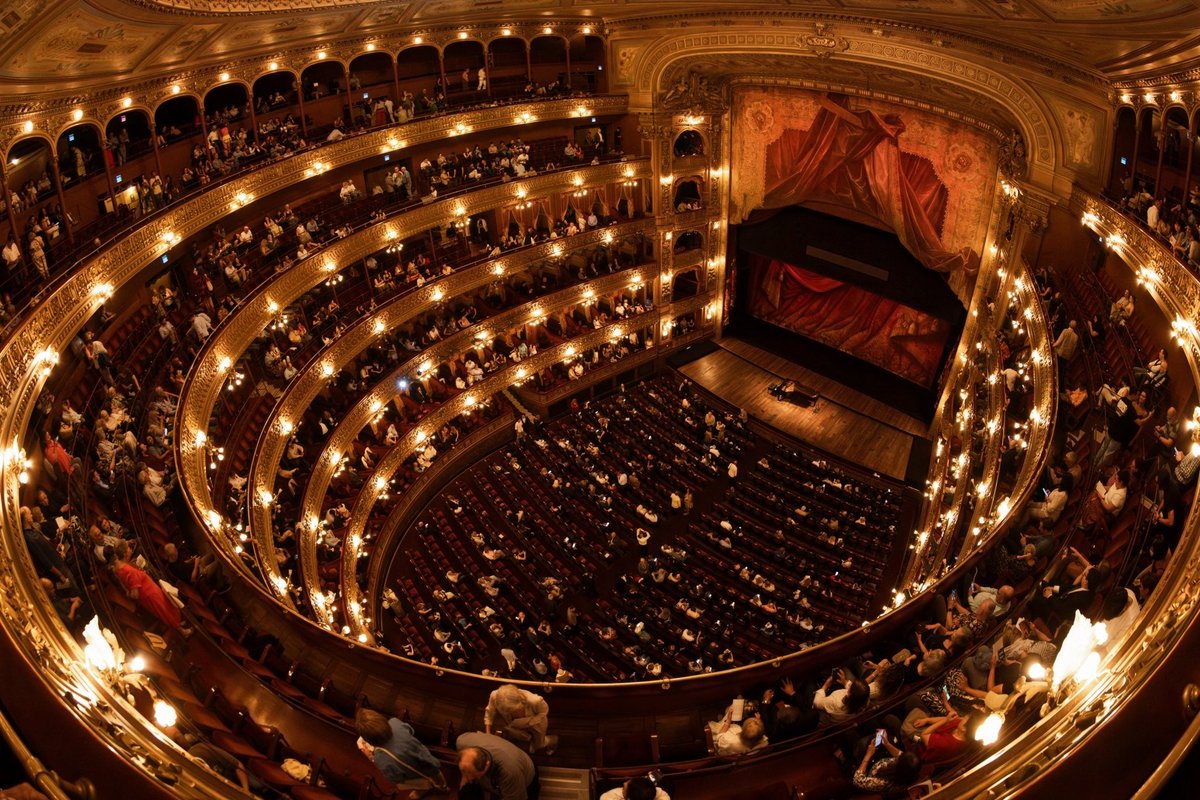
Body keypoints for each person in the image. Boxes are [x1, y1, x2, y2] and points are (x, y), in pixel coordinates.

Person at [356, 708, 449, 798]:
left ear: (369, 740)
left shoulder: (379, 759)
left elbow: (394, 778)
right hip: (428, 761)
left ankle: (423, 789)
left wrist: (372, 757)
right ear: (382, 719)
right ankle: (443, 788)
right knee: (438, 778)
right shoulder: (395, 723)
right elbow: (411, 730)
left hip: (412, 777)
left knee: (419, 784)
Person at [108, 542, 190, 634]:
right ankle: (182, 631)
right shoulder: (127, 570)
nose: (131, 549)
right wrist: (137, 584)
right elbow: (135, 594)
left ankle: (178, 623)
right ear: (124, 554)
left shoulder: (120, 568)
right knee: (165, 611)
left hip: (151, 591)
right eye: (128, 548)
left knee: (168, 607)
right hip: (150, 595)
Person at [456, 732, 538, 800]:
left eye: (471, 774)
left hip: (524, 777)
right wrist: (465, 777)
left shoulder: (509, 772)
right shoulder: (462, 742)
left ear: (486, 765)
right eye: (463, 770)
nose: (468, 779)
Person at [483, 684, 558, 754]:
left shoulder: (535, 700)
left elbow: (543, 712)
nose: (508, 713)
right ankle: (531, 744)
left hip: (536, 723)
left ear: (519, 702)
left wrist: (529, 723)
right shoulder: (494, 695)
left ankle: (554, 740)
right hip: (514, 724)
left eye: (511, 710)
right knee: (523, 737)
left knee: (540, 744)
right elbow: (490, 713)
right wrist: (488, 734)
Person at [598, 777, 669, 800]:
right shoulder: (663, 796)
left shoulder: (607, 797)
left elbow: (604, 797)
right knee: (667, 782)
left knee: (603, 783)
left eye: (623, 789)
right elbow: (659, 791)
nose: (624, 783)